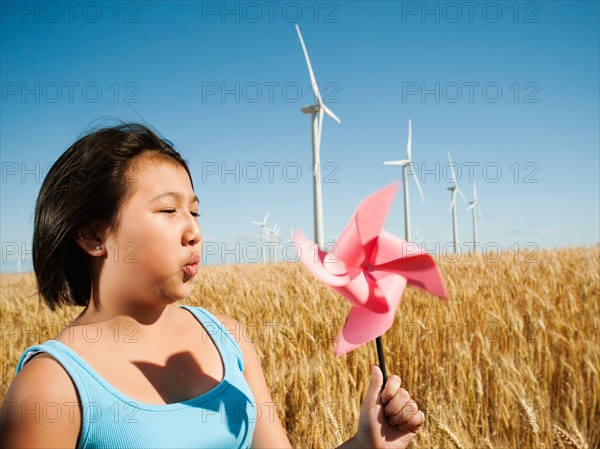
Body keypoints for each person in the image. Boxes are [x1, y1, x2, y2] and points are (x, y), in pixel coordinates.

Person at [0, 123, 425, 449]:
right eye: (167, 210)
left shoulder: (229, 339)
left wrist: (364, 444)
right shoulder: (52, 386)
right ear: (94, 235)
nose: (193, 232)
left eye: (195, 212)